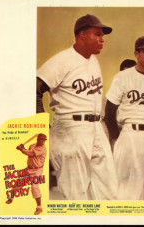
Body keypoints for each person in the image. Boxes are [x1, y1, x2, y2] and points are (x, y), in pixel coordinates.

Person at [36, 14, 118, 200]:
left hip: (96, 127)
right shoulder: (62, 60)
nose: (102, 39)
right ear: (81, 35)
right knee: (76, 194)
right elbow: (34, 90)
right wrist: (41, 126)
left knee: (108, 190)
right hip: (71, 128)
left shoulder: (92, 60)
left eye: (102, 35)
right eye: (97, 34)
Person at [105, 36, 144, 200]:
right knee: (127, 192)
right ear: (136, 54)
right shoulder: (123, 77)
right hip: (131, 134)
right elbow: (110, 111)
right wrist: (117, 136)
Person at [6, 133, 47, 215]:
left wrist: (21, 149)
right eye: (40, 139)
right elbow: (28, 151)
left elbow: (31, 154)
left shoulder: (42, 149)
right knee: (18, 183)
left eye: (43, 139)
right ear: (37, 139)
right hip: (28, 168)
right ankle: (11, 197)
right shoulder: (32, 145)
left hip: (37, 170)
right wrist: (22, 148)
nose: (42, 141)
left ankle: (39, 207)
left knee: (34, 187)